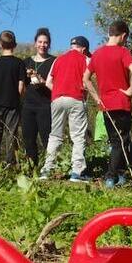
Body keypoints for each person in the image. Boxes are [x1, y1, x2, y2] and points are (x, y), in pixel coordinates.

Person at [84, 20, 132, 188]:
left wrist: (96, 97)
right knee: (120, 142)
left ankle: (122, 176)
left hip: (106, 106)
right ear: (123, 35)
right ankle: (110, 177)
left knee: (117, 141)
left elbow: (85, 78)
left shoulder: (97, 54)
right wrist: (130, 90)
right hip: (122, 104)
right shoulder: (123, 52)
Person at [41, 36, 91, 181]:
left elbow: (49, 83)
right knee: (78, 137)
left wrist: (58, 91)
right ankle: (77, 172)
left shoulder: (58, 59)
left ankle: (46, 170)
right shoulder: (85, 59)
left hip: (57, 99)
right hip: (76, 98)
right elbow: (86, 82)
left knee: (55, 135)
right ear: (84, 49)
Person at [0, 30, 26, 169]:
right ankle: (10, 164)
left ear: (0, 45)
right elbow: (21, 86)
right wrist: (19, 99)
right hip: (12, 103)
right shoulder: (19, 63)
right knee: (11, 134)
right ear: (14, 44)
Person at [22, 28, 55, 167]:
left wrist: (43, 82)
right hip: (28, 105)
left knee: (47, 138)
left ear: (49, 44)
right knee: (28, 139)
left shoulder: (54, 61)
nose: (43, 45)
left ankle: (50, 167)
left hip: (45, 105)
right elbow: (20, 84)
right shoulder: (26, 62)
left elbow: (57, 86)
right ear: (35, 43)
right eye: (40, 42)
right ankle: (32, 168)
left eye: (45, 42)